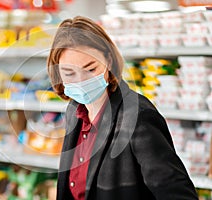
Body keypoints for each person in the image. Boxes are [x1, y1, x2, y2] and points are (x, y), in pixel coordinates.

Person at [46, 16, 198, 200]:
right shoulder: (74, 111)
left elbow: (177, 194)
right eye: (69, 73)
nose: (80, 81)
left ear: (108, 61)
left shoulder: (138, 117)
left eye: (91, 69)